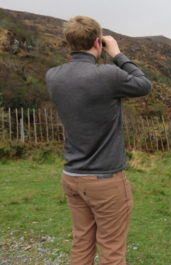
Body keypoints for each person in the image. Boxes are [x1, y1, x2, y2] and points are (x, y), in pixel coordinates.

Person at [45, 15, 152, 265]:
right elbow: (144, 85)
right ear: (97, 41)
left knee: (81, 243)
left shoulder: (53, 76)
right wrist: (117, 54)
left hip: (72, 175)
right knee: (112, 251)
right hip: (106, 180)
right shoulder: (108, 75)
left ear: (69, 42)